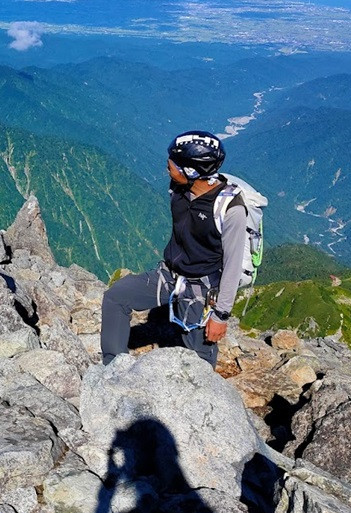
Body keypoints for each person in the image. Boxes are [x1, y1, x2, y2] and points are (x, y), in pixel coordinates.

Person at [100, 130, 247, 367]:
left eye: (173, 165)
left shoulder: (231, 210)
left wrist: (220, 315)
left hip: (202, 287)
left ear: (191, 171)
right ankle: (112, 369)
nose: (168, 168)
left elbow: (233, 265)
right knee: (116, 298)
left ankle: (205, 400)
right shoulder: (179, 189)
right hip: (168, 276)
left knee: (199, 358)